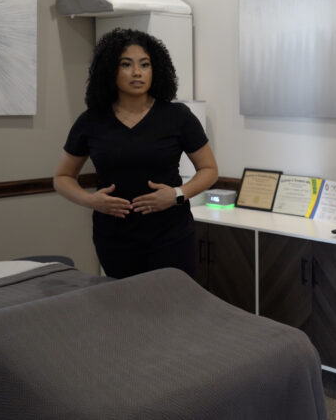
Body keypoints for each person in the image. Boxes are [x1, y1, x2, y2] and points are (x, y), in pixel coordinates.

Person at [54, 28, 218, 279]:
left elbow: (209, 170)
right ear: (111, 70)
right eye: (126, 64)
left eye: (145, 64)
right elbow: (62, 177)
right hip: (115, 239)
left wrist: (176, 195)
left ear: (156, 69)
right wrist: (91, 201)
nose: (137, 72)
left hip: (171, 235)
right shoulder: (91, 121)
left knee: (173, 309)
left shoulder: (177, 116)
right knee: (124, 310)